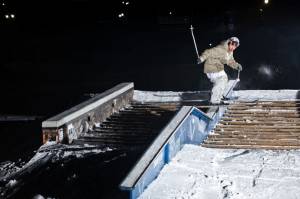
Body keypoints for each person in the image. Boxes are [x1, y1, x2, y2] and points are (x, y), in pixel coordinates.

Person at [197, 37, 242, 105]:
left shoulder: (229, 52)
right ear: (229, 42)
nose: (233, 47)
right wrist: (202, 58)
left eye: (235, 46)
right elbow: (209, 52)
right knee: (221, 80)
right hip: (211, 66)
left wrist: (237, 66)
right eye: (232, 44)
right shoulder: (221, 49)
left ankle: (219, 96)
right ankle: (214, 100)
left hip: (218, 67)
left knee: (225, 78)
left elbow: (230, 61)